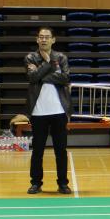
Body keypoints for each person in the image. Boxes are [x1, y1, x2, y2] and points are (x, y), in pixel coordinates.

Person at [25, 26, 72, 195]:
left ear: (53, 40)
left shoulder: (61, 57)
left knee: (61, 151)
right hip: (38, 112)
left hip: (59, 111)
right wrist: (49, 65)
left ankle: (63, 183)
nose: (44, 39)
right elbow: (32, 78)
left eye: (47, 37)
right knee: (37, 151)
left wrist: (42, 72)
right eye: (41, 37)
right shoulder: (30, 57)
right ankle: (36, 183)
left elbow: (65, 78)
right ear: (37, 40)